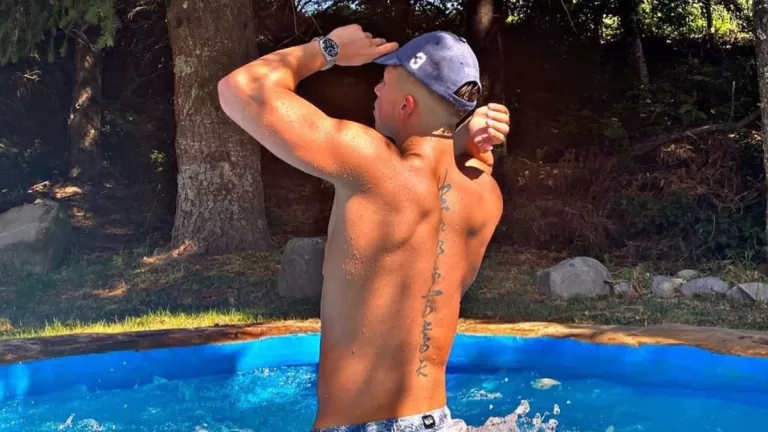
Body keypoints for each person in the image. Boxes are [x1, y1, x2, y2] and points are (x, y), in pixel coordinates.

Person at [217, 24, 508, 431]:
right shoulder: (485, 194)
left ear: (406, 106)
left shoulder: (372, 164)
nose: (375, 89)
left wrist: (328, 49)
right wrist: (464, 139)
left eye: (384, 82)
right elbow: (449, 162)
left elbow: (240, 89)